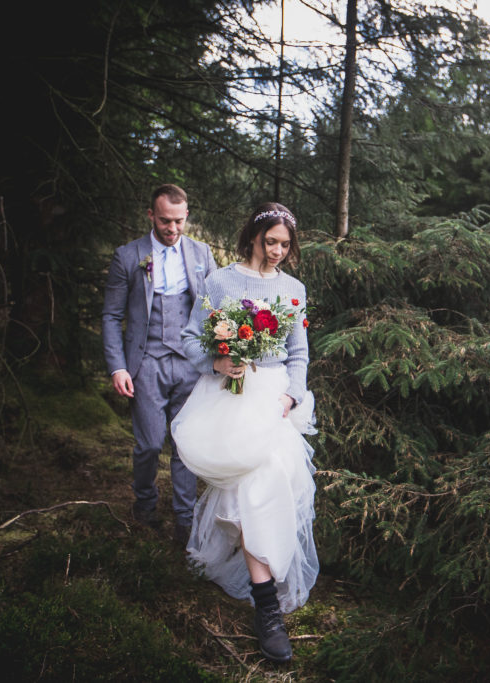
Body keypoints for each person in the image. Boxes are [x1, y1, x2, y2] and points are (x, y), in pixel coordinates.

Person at [172, 202, 317, 662]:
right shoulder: (221, 281)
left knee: (270, 485)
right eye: (270, 241)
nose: (277, 251)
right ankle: (268, 608)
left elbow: (298, 352)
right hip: (230, 396)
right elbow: (191, 337)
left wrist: (291, 396)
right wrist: (218, 361)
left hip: (273, 401)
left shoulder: (294, 288)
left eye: (285, 244)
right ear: (254, 236)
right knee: (247, 492)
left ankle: (266, 601)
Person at [102, 184, 218, 545]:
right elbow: (111, 316)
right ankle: (145, 505)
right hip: (146, 362)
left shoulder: (202, 254)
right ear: (151, 215)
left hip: (190, 363)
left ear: (187, 217)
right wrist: (117, 367)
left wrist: (222, 354)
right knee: (150, 444)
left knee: (184, 445)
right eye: (165, 220)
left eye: (179, 221)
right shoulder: (128, 256)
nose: (172, 228)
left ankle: (185, 519)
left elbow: (216, 308)